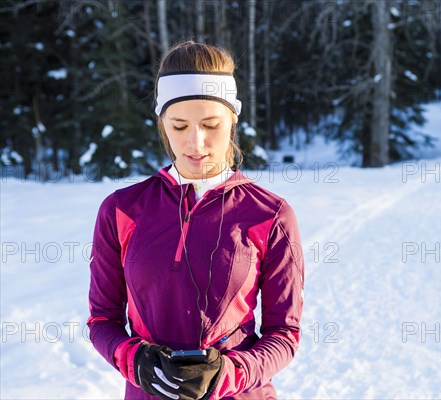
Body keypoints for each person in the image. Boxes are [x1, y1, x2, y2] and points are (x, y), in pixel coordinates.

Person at [87, 41, 304, 400]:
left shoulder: (271, 215)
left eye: (210, 124)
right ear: (162, 123)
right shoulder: (122, 210)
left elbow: (284, 334)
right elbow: (102, 321)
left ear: (233, 118)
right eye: (180, 125)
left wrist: (229, 374)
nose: (195, 142)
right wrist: (136, 359)